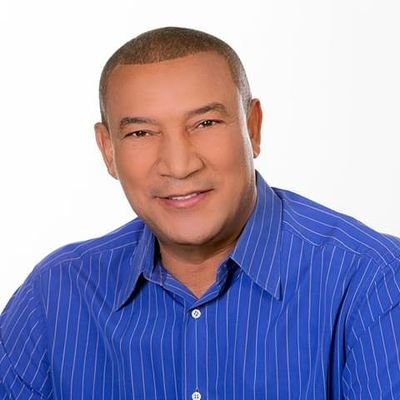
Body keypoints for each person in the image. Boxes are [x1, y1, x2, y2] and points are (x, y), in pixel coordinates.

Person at [1, 26, 399, 399]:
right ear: (108, 150)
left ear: (252, 128)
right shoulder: (55, 295)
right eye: (141, 133)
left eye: (205, 123)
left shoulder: (372, 280)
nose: (178, 165)